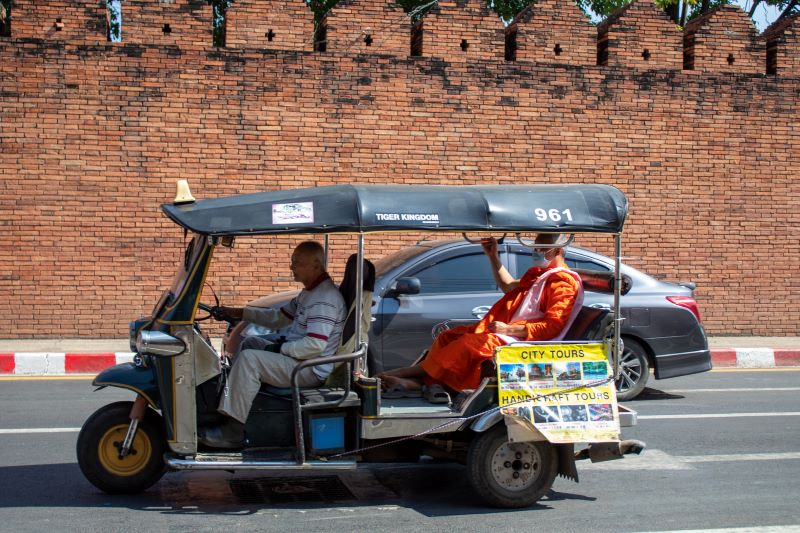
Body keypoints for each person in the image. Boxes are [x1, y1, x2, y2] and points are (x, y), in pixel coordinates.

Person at [378, 233, 584, 396]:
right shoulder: (541, 276)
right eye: (535, 248)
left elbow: (553, 326)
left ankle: (405, 374)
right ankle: (422, 383)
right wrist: (493, 256)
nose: (536, 252)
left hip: (528, 340)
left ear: (557, 250)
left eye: (541, 249)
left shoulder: (562, 282)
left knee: (469, 345)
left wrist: (509, 328)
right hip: (512, 333)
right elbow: (508, 286)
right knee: (450, 336)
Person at [199, 240, 346, 449]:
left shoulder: (324, 299)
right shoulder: (309, 293)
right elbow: (278, 318)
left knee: (251, 360)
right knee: (251, 342)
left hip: (309, 368)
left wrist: (279, 348)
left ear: (316, 265)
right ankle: (237, 406)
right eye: (292, 261)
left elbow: (314, 345)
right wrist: (239, 313)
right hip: (299, 359)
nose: (291, 267)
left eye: (297, 262)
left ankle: (233, 431)